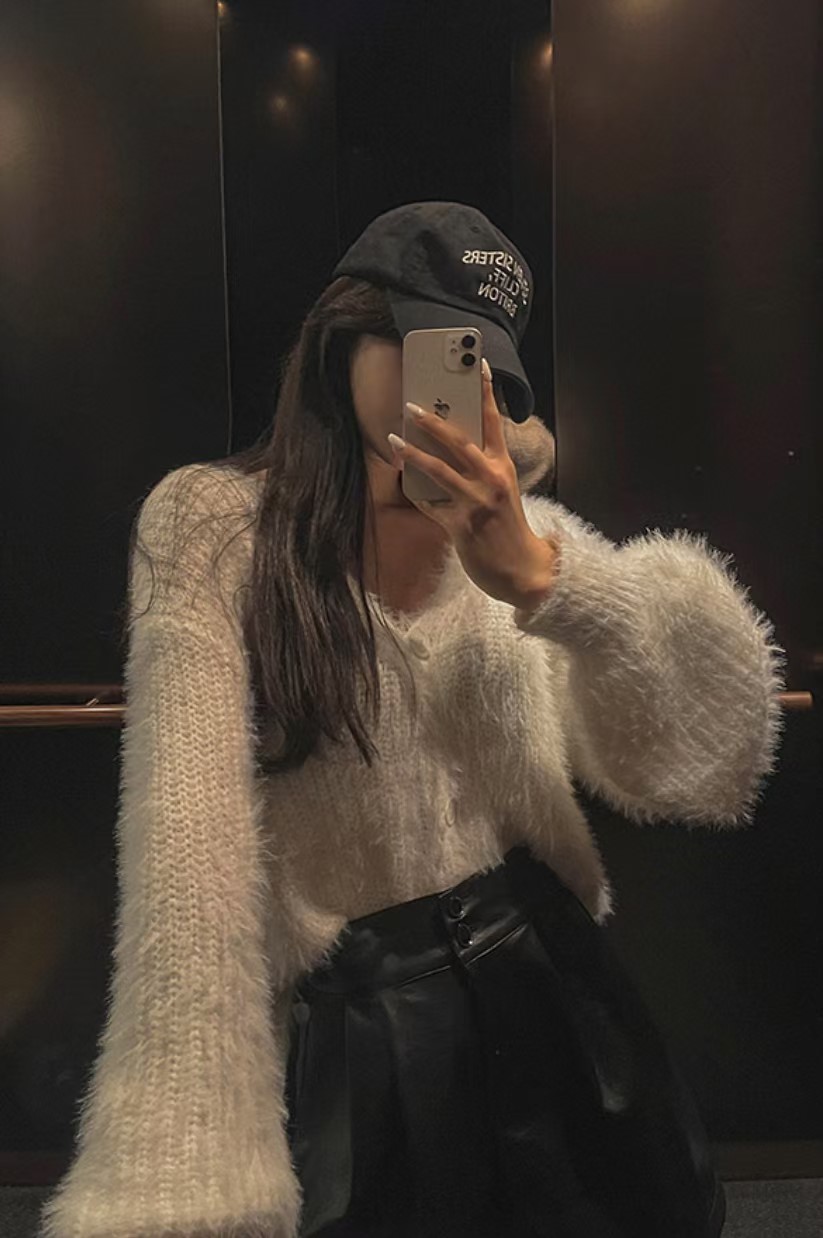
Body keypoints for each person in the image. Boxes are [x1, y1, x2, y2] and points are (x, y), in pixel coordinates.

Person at [38, 202, 787, 1238]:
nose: (454, 393)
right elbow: (185, 855)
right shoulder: (214, 529)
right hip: (355, 1033)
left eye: (483, 370)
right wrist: (189, 1173)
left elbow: (711, 755)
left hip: (547, 989)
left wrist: (547, 581)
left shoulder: (524, 539)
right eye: (433, 349)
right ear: (343, 340)